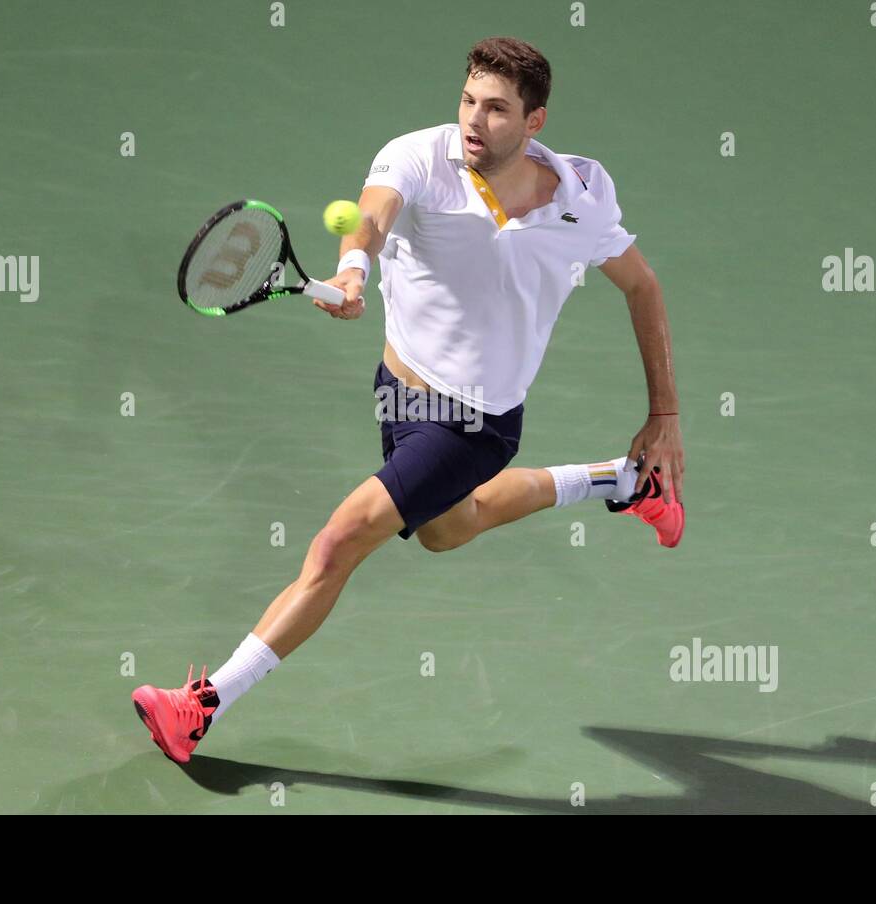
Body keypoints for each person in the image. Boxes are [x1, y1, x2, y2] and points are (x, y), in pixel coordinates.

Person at [133, 36, 685, 764]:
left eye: (496, 108)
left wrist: (666, 414)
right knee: (447, 529)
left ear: (535, 121)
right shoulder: (421, 157)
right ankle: (623, 481)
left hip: (475, 426)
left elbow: (642, 284)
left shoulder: (581, 200)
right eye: (467, 101)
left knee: (339, 542)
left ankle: (201, 707)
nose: (474, 121)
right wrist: (355, 268)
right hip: (399, 397)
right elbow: (372, 213)